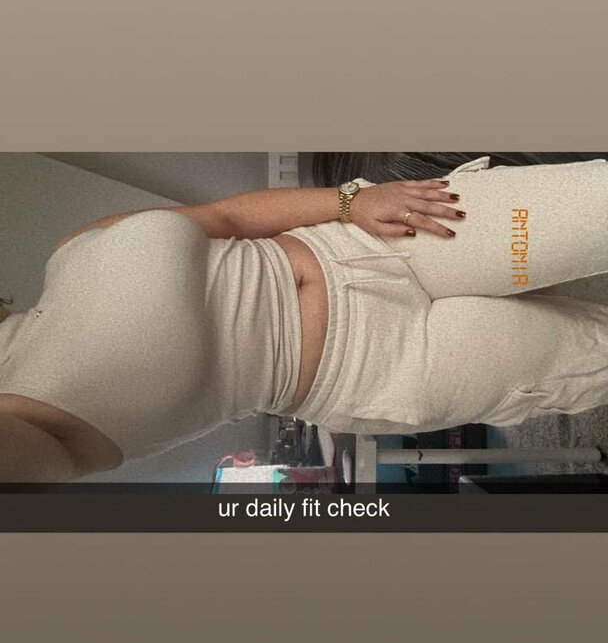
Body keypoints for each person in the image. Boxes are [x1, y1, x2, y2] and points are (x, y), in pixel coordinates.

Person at [1, 155, 608, 483]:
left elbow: (229, 217)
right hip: (382, 368)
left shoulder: (73, 248)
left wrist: (350, 200)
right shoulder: (28, 422)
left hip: (374, 238)